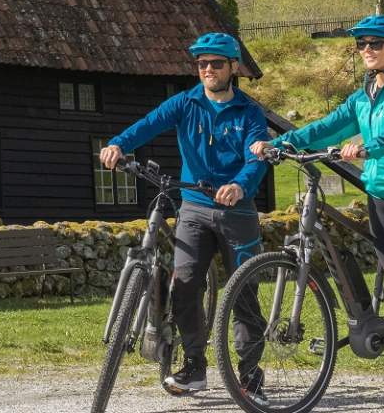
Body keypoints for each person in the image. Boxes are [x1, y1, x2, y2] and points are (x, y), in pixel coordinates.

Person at [253, 15, 384, 413]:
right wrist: (278, 143)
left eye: (375, 44)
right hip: (378, 196)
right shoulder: (364, 93)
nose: (367, 50)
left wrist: (368, 147)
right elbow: (327, 127)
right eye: (362, 44)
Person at [101, 32, 272, 399]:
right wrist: (118, 143)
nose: (208, 70)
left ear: (233, 68)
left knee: (243, 292)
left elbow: (257, 159)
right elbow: (148, 124)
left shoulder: (250, 112)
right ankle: (195, 367)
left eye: (216, 64)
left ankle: (251, 374)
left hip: (237, 211)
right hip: (193, 207)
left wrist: (240, 185)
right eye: (202, 64)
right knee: (185, 285)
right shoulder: (185, 102)